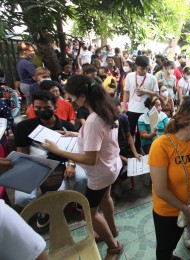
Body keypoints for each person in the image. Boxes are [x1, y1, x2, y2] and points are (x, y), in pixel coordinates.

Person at [41, 75, 123, 258]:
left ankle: (113, 246)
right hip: (111, 166)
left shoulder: (93, 121)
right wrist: (73, 134)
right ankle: (113, 229)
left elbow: (89, 159)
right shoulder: (106, 109)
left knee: (89, 214)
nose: (70, 101)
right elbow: (100, 138)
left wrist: (58, 150)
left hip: (101, 172)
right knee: (106, 197)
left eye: (72, 97)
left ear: (83, 96)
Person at [149, 98, 190, 258]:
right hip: (168, 211)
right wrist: (185, 209)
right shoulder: (161, 145)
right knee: (164, 247)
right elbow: (160, 190)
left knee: (173, 242)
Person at [14, 90, 86, 227]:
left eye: (47, 108)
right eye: (38, 108)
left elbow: (73, 149)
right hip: (34, 164)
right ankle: (45, 209)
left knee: (82, 178)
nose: (42, 111)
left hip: (62, 162)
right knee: (22, 198)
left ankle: (77, 200)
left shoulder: (66, 126)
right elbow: (21, 153)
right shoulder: (24, 127)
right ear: (32, 108)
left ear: (55, 108)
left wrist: (72, 164)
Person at [121, 56, 159, 152]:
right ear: (136, 66)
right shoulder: (129, 76)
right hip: (132, 109)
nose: (144, 71)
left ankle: (138, 149)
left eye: (146, 68)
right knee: (130, 132)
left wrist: (145, 91)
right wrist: (123, 106)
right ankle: (128, 150)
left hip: (145, 110)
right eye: (142, 68)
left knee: (142, 133)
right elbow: (126, 91)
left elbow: (156, 93)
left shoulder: (152, 78)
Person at [16, 42, 36, 107]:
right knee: (32, 105)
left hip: (24, 85)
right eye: (32, 50)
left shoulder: (20, 61)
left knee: (29, 104)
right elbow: (35, 77)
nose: (33, 52)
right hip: (29, 85)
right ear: (25, 51)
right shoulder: (26, 63)